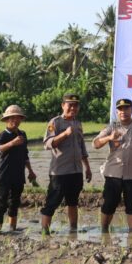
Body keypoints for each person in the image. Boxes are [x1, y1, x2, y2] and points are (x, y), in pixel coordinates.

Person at [93, 99, 132, 233]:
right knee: (109, 204)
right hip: (113, 174)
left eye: (126, 108)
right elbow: (96, 144)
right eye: (120, 109)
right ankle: (104, 231)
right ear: (117, 112)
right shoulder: (111, 127)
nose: (123, 112)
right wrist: (109, 138)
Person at [41, 93, 92, 234]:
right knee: (52, 202)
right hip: (60, 172)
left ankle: (73, 230)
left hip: (76, 171)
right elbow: (47, 144)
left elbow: (82, 146)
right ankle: (45, 233)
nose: (73, 108)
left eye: (76, 105)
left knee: (73, 202)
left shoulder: (78, 123)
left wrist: (87, 167)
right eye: (70, 105)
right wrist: (64, 134)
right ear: (63, 105)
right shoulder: (55, 122)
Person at [0, 105, 37, 234]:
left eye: (18, 118)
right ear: (6, 120)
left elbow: (25, 154)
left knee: (15, 202)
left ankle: (12, 228)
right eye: (12, 118)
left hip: (18, 174)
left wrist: (31, 171)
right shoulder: (3, 135)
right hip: (4, 175)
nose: (15, 121)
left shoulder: (22, 134)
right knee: (0, 203)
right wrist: (12, 143)